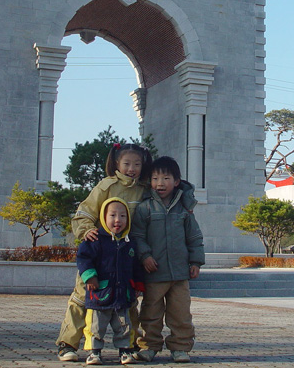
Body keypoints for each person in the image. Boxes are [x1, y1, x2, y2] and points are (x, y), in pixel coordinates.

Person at [57, 143, 152, 362]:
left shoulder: (144, 189)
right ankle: (67, 344)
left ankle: (131, 345)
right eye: (127, 163)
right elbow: (84, 212)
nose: (132, 168)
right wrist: (86, 230)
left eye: (137, 164)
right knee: (82, 299)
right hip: (100, 254)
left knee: (128, 303)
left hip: (125, 255)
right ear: (117, 164)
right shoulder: (106, 186)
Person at [131, 156, 205, 363]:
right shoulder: (145, 207)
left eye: (165, 178)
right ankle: (148, 346)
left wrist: (196, 262)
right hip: (154, 273)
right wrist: (145, 256)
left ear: (176, 181)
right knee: (150, 313)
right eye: (155, 178)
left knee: (181, 314)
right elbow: (137, 236)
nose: (160, 183)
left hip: (180, 274)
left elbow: (194, 237)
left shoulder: (184, 209)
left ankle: (180, 348)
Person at [76, 198, 144, 365]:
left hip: (123, 295)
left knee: (124, 326)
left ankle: (125, 351)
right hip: (100, 293)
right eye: (112, 215)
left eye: (122, 216)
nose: (117, 220)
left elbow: (136, 267)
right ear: (103, 217)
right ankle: (93, 352)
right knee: (95, 326)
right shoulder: (95, 239)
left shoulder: (129, 243)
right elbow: (83, 258)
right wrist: (90, 277)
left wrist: (138, 285)